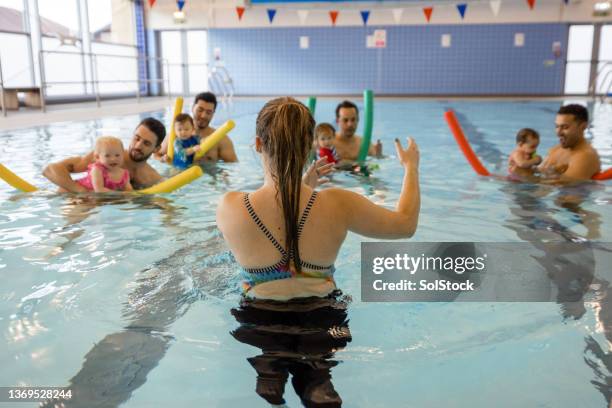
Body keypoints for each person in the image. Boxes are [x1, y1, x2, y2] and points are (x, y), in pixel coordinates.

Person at [216, 97, 419, 301]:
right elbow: (406, 224)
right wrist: (411, 167)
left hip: (255, 322)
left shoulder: (231, 206)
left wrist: (304, 186)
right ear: (309, 146)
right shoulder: (338, 203)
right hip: (325, 321)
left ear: (259, 144)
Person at [43, 117, 166, 191]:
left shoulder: (152, 178)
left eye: (146, 143)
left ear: (156, 149)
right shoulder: (107, 155)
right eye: (137, 138)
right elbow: (49, 170)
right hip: (75, 202)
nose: (138, 146)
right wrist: (81, 192)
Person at [158, 92, 238, 163]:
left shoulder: (221, 139)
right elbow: (157, 155)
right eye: (200, 110)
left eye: (208, 112)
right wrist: (162, 159)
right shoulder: (176, 135)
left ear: (213, 114)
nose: (203, 116)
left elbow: (233, 166)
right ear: (192, 108)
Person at [538, 104, 601, 181]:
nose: (558, 133)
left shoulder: (585, 157)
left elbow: (562, 186)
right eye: (557, 126)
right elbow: (539, 172)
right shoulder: (556, 149)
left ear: (583, 127)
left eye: (565, 127)